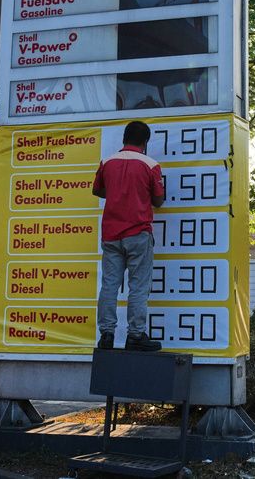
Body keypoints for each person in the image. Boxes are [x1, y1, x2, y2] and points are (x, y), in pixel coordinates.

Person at [93, 121, 165, 351]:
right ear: (145, 142)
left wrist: (116, 193)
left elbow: (97, 190)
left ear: (124, 138)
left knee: (109, 286)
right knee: (138, 287)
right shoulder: (151, 165)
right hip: (138, 233)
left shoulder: (107, 162)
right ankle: (135, 335)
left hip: (111, 234)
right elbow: (159, 200)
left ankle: (106, 335)